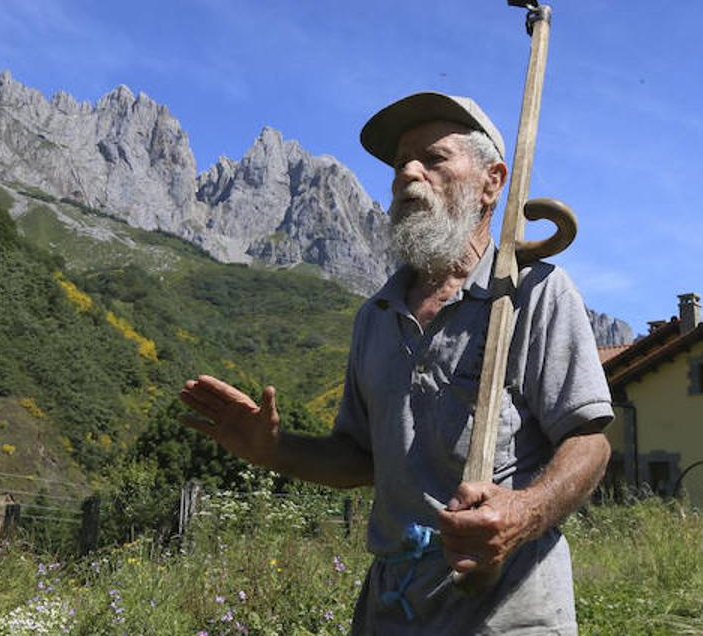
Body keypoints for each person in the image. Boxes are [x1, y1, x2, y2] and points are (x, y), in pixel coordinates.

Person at [179, 92, 613, 634]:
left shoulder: (534, 294)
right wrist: (274, 451)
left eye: (433, 159)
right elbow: (362, 459)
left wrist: (523, 514)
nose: (408, 173)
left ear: (491, 182)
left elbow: (590, 442)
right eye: (400, 162)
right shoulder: (375, 317)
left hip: (510, 606)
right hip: (393, 608)